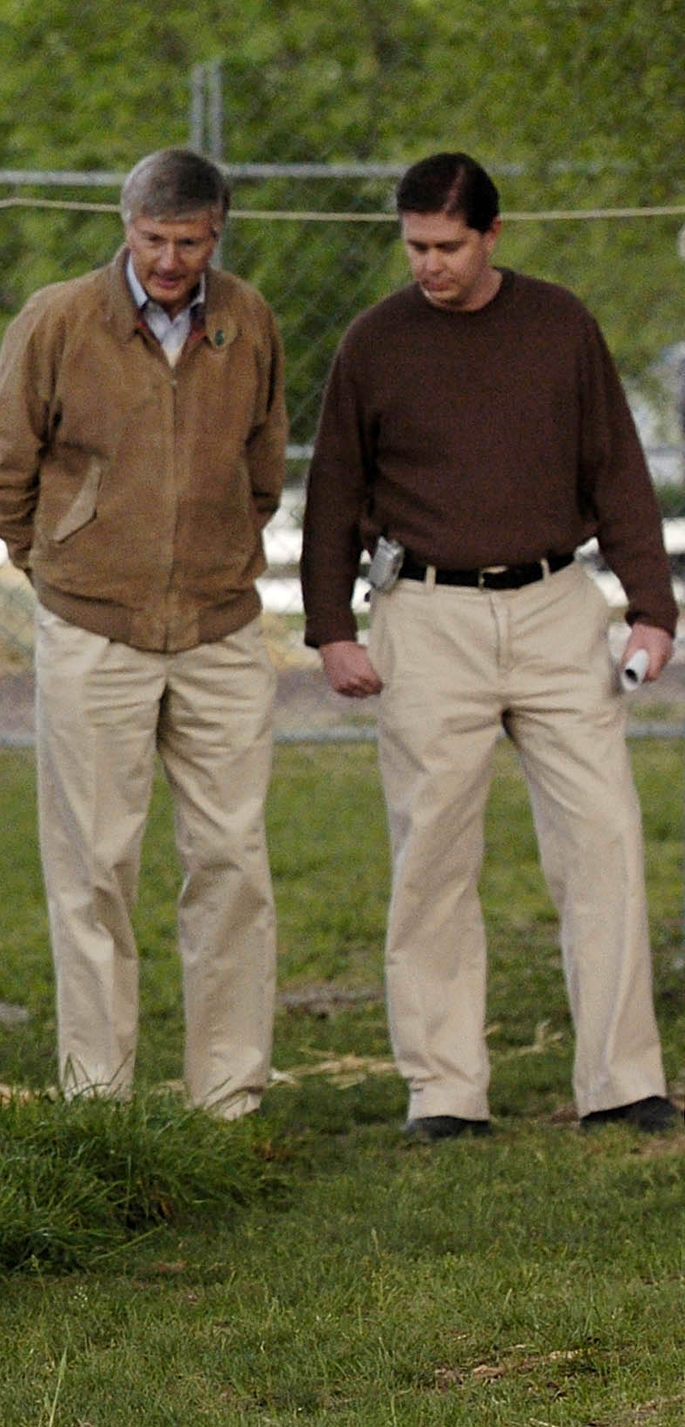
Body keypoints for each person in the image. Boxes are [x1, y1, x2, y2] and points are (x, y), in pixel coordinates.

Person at [301, 152, 679, 1142]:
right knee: (431, 852)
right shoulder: (374, 342)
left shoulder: (562, 325)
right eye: (415, 245)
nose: (429, 263)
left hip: (558, 605)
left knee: (604, 839)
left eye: (448, 246)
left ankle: (624, 1079)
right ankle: (446, 1090)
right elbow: (334, 492)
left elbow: (620, 471)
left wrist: (653, 608)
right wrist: (332, 628)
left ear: (492, 236)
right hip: (426, 613)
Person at [0, 148, 288, 1119]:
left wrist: (220, 545)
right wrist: (60, 557)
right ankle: (98, 1101)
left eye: (190, 241)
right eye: (154, 239)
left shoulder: (248, 321)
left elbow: (263, 462)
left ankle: (227, 1096)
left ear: (216, 234)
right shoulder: (61, 318)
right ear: (128, 225)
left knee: (233, 860)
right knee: (95, 866)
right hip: (91, 633)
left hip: (221, 630)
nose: (171, 259)